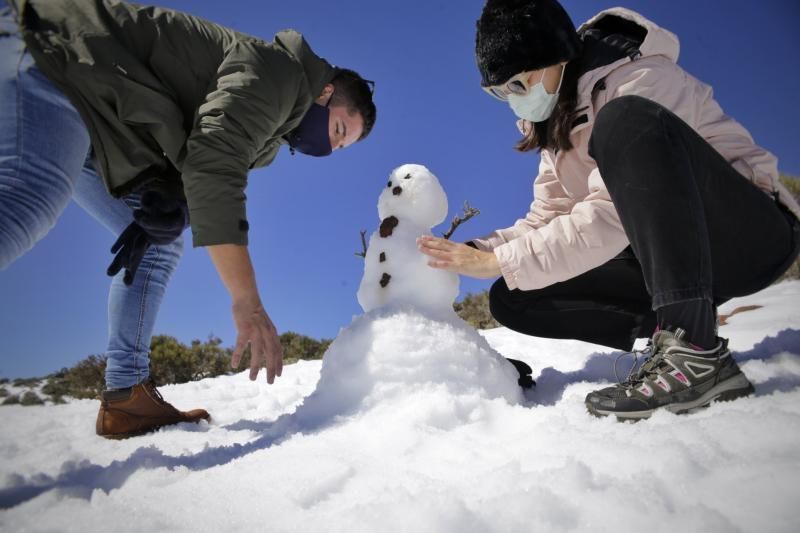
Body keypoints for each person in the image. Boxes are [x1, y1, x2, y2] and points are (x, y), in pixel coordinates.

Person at [0, 0, 376, 437]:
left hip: (99, 123)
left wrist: (166, 190)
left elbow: (192, 146)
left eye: (340, 150)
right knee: (28, 197)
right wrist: (246, 299)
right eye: (338, 132)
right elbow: (214, 162)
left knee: (158, 246)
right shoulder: (281, 73)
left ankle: (125, 397)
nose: (329, 150)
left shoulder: (270, 140)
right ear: (325, 94)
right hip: (59, 50)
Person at [418, 0, 800, 419]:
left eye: (520, 83)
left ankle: (693, 348)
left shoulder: (638, 79)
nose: (515, 100)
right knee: (514, 293)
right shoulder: (555, 127)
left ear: (557, 58)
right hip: (672, 255)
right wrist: (475, 250)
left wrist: (499, 259)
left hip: (748, 235)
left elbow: (609, 214)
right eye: (501, 92)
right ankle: (669, 338)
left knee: (623, 122)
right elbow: (547, 219)